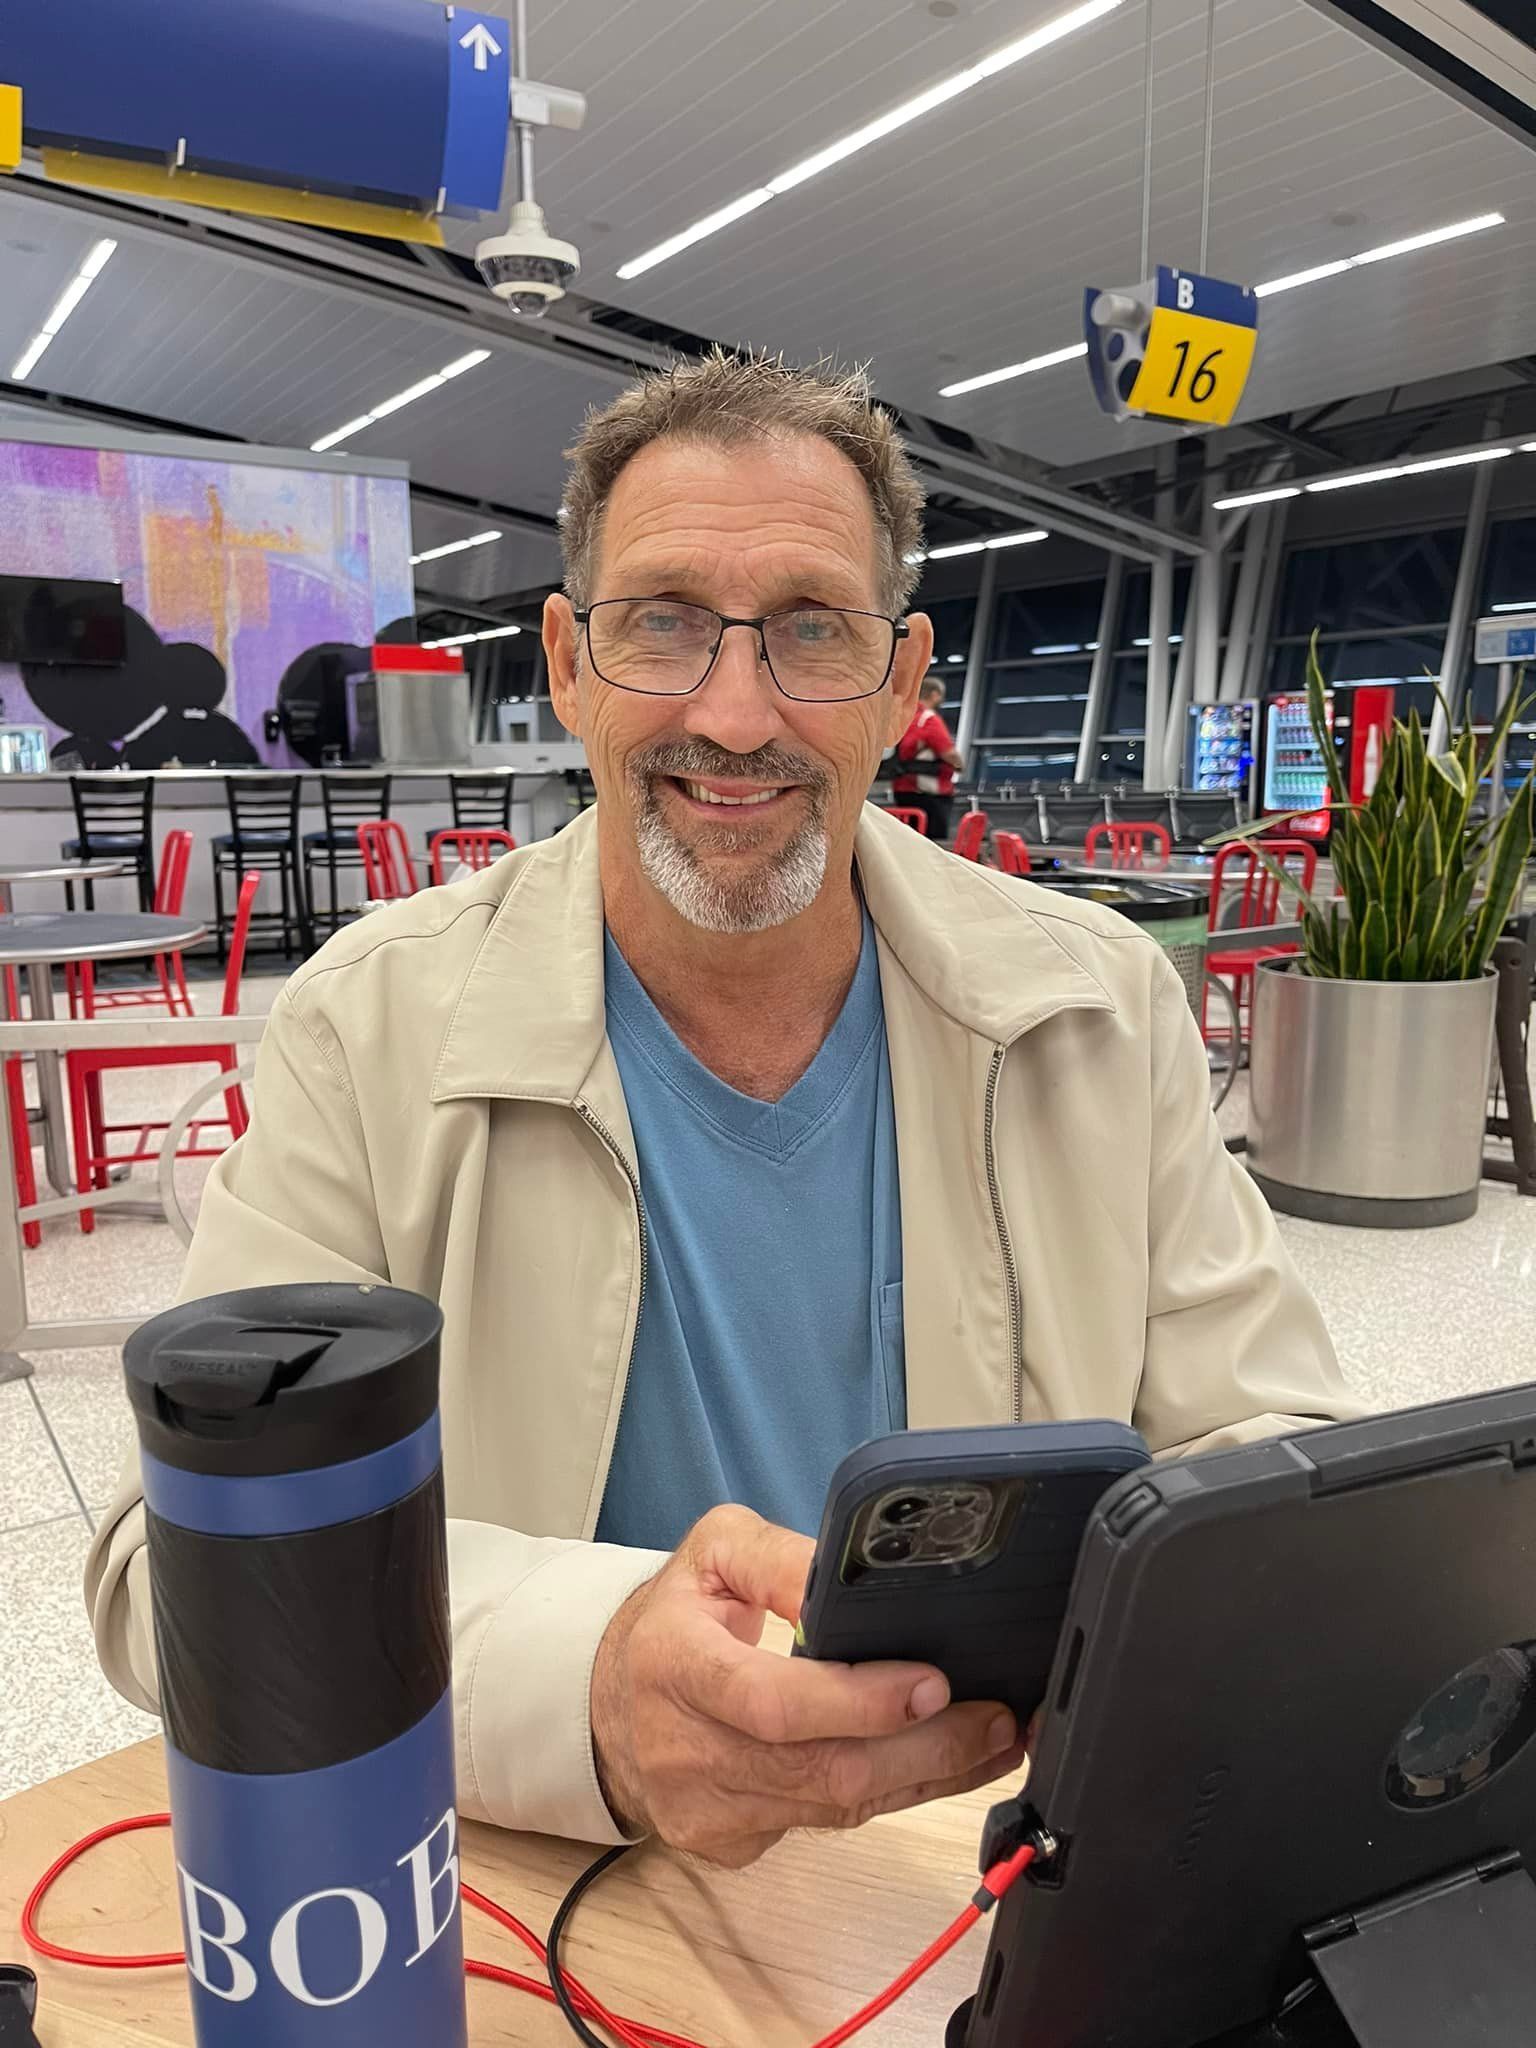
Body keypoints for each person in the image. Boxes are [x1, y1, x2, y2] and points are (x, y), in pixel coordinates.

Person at [87, 349, 1353, 1871]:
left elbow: (1277, 1455)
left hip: (989, 1857)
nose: (736, 715)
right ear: (567, 663)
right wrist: (587, 1683)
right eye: (663, 624)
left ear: (902, 681)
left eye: (812, 629)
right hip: (554, 1857)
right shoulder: (373, 1028)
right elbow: (176, 1574)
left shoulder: (1092, 1006)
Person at [892, 674, 964, 842]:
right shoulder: (928, 719)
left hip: (902, 790)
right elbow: (949, 754)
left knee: (910, 841)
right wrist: (960, 765)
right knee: (934, 845)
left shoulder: (904, 717)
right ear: (934, 695)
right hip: (929, 794)